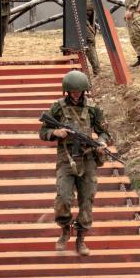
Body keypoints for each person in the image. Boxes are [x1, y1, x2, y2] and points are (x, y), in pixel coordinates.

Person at [39, 71, 113, 255]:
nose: (76, 94)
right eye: (72, 91)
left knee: (87, 200)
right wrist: (56, 133)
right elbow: (43, 131)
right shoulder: (57, 107)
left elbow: (105, 133)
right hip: (66, 158)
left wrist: (102, 142)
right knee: (63, 197)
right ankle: (65, 228)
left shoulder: (93, 108)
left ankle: (81, 239)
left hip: (87, 158)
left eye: (79, 91)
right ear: (67, 91)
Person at [84, 0, 101, 76]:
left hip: (89, 14)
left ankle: (97, 70)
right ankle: (97, 70)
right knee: (89, 41)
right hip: (83, 15)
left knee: (90, 42)